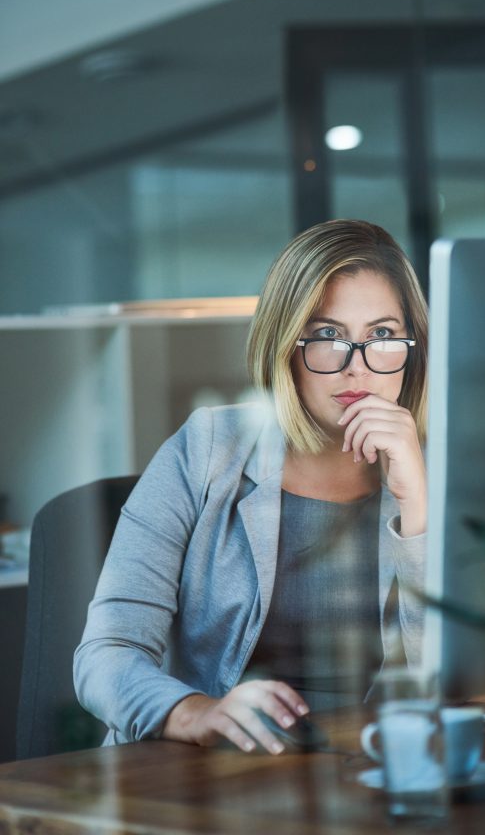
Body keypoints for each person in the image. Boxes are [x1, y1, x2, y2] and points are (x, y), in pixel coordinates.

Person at [74, 219, 428, 754]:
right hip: (217, 768)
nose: (357, 368)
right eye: (329, 335)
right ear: (286, 344)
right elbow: (105, 654)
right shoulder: (207, 448)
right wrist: (198, 713)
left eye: (381, 336)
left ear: (411, 349)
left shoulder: (436, 468)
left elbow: (476, 679)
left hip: (376, 768)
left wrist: (418, 508)